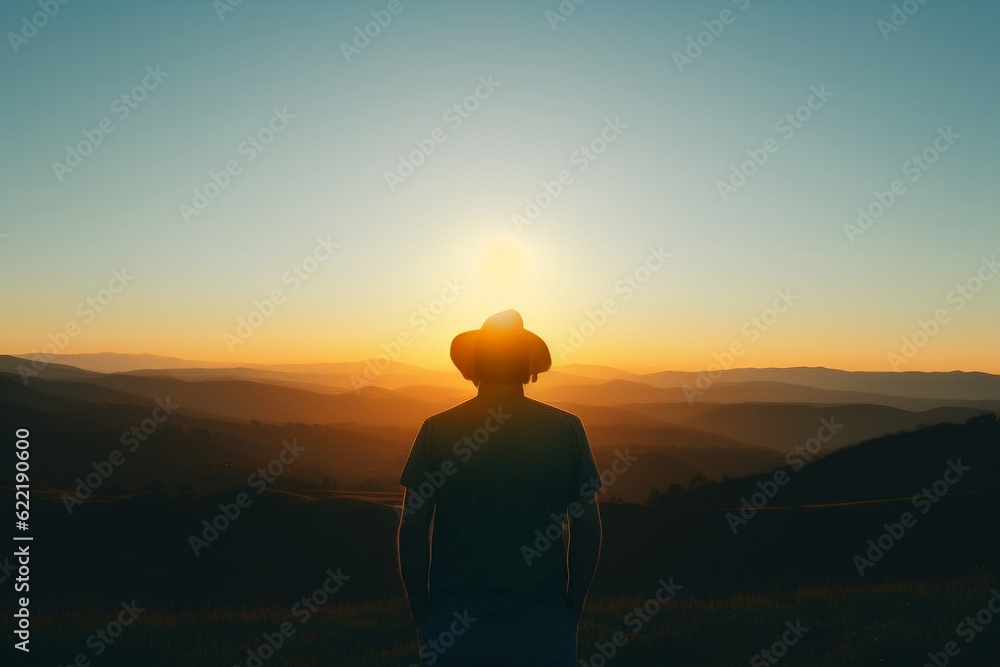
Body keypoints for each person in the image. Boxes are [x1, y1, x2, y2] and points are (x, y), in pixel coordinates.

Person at [398, 309, 603, 666]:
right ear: (527, 367)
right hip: (542, 623)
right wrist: (573, 607)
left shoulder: (436, 429)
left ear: (474, 366)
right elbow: (586, 527)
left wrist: (422, 611)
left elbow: (413, 529)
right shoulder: (567, 429)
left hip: (453, 624)